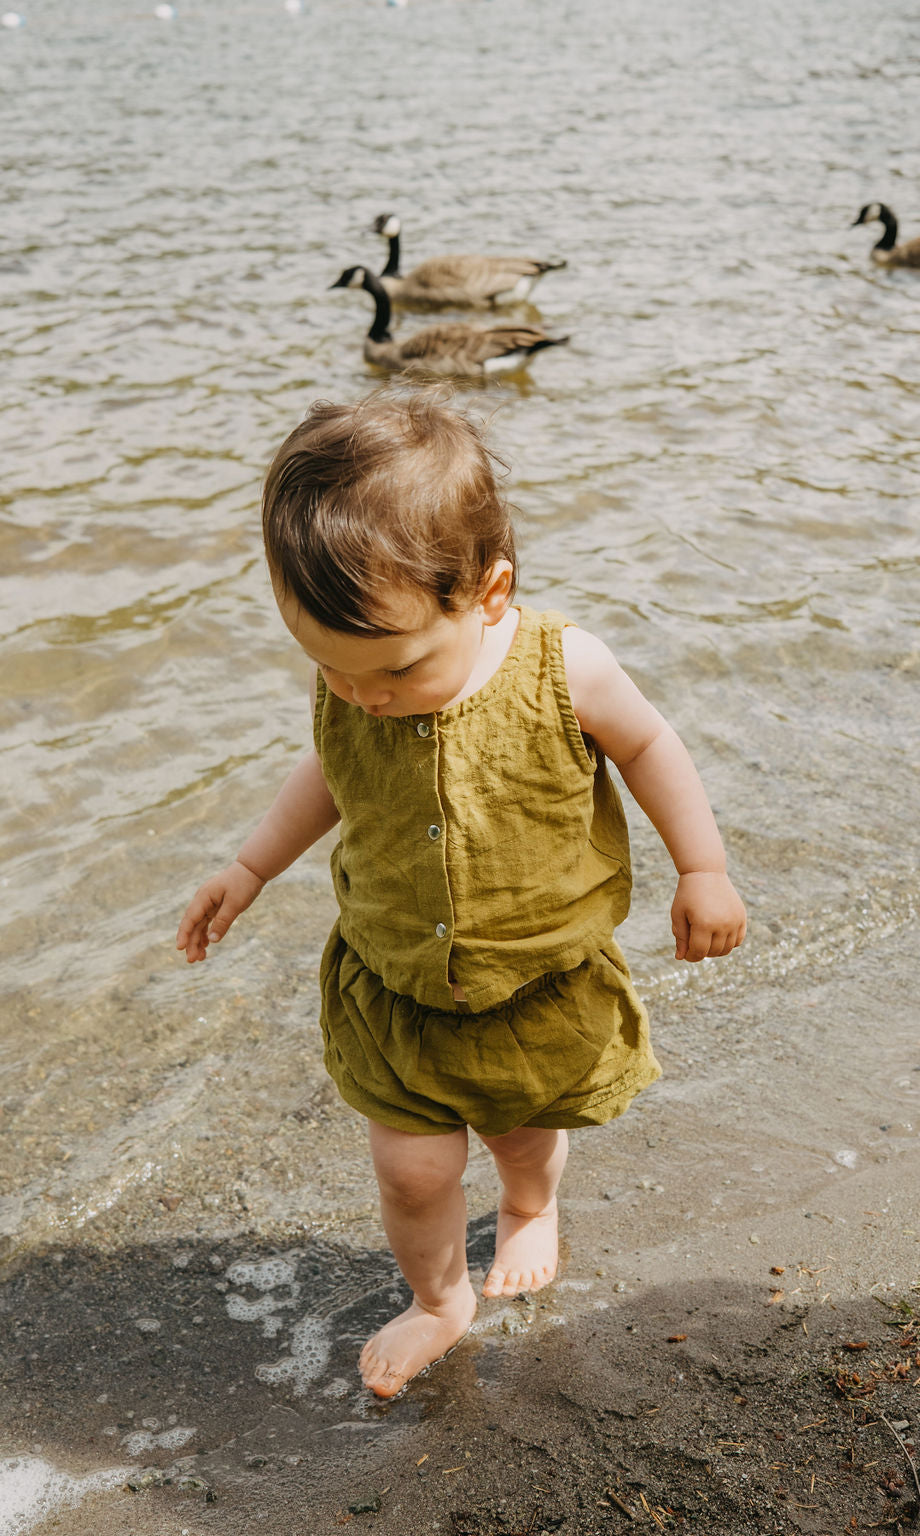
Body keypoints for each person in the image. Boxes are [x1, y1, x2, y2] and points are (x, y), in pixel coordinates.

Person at [176, 393, 746, 1399]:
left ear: (487, 593)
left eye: (390, 668)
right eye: (328, 667)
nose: (362, 695)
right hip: (396, 989)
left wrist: (702, 869)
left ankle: (530, 1206)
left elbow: (653, 747)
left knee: (524, 1135)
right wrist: (251, 866)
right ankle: (439, 1300)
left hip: (537, 984)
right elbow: (329, 768)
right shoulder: (354, 681)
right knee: (413, 1172)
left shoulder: (564, 665)